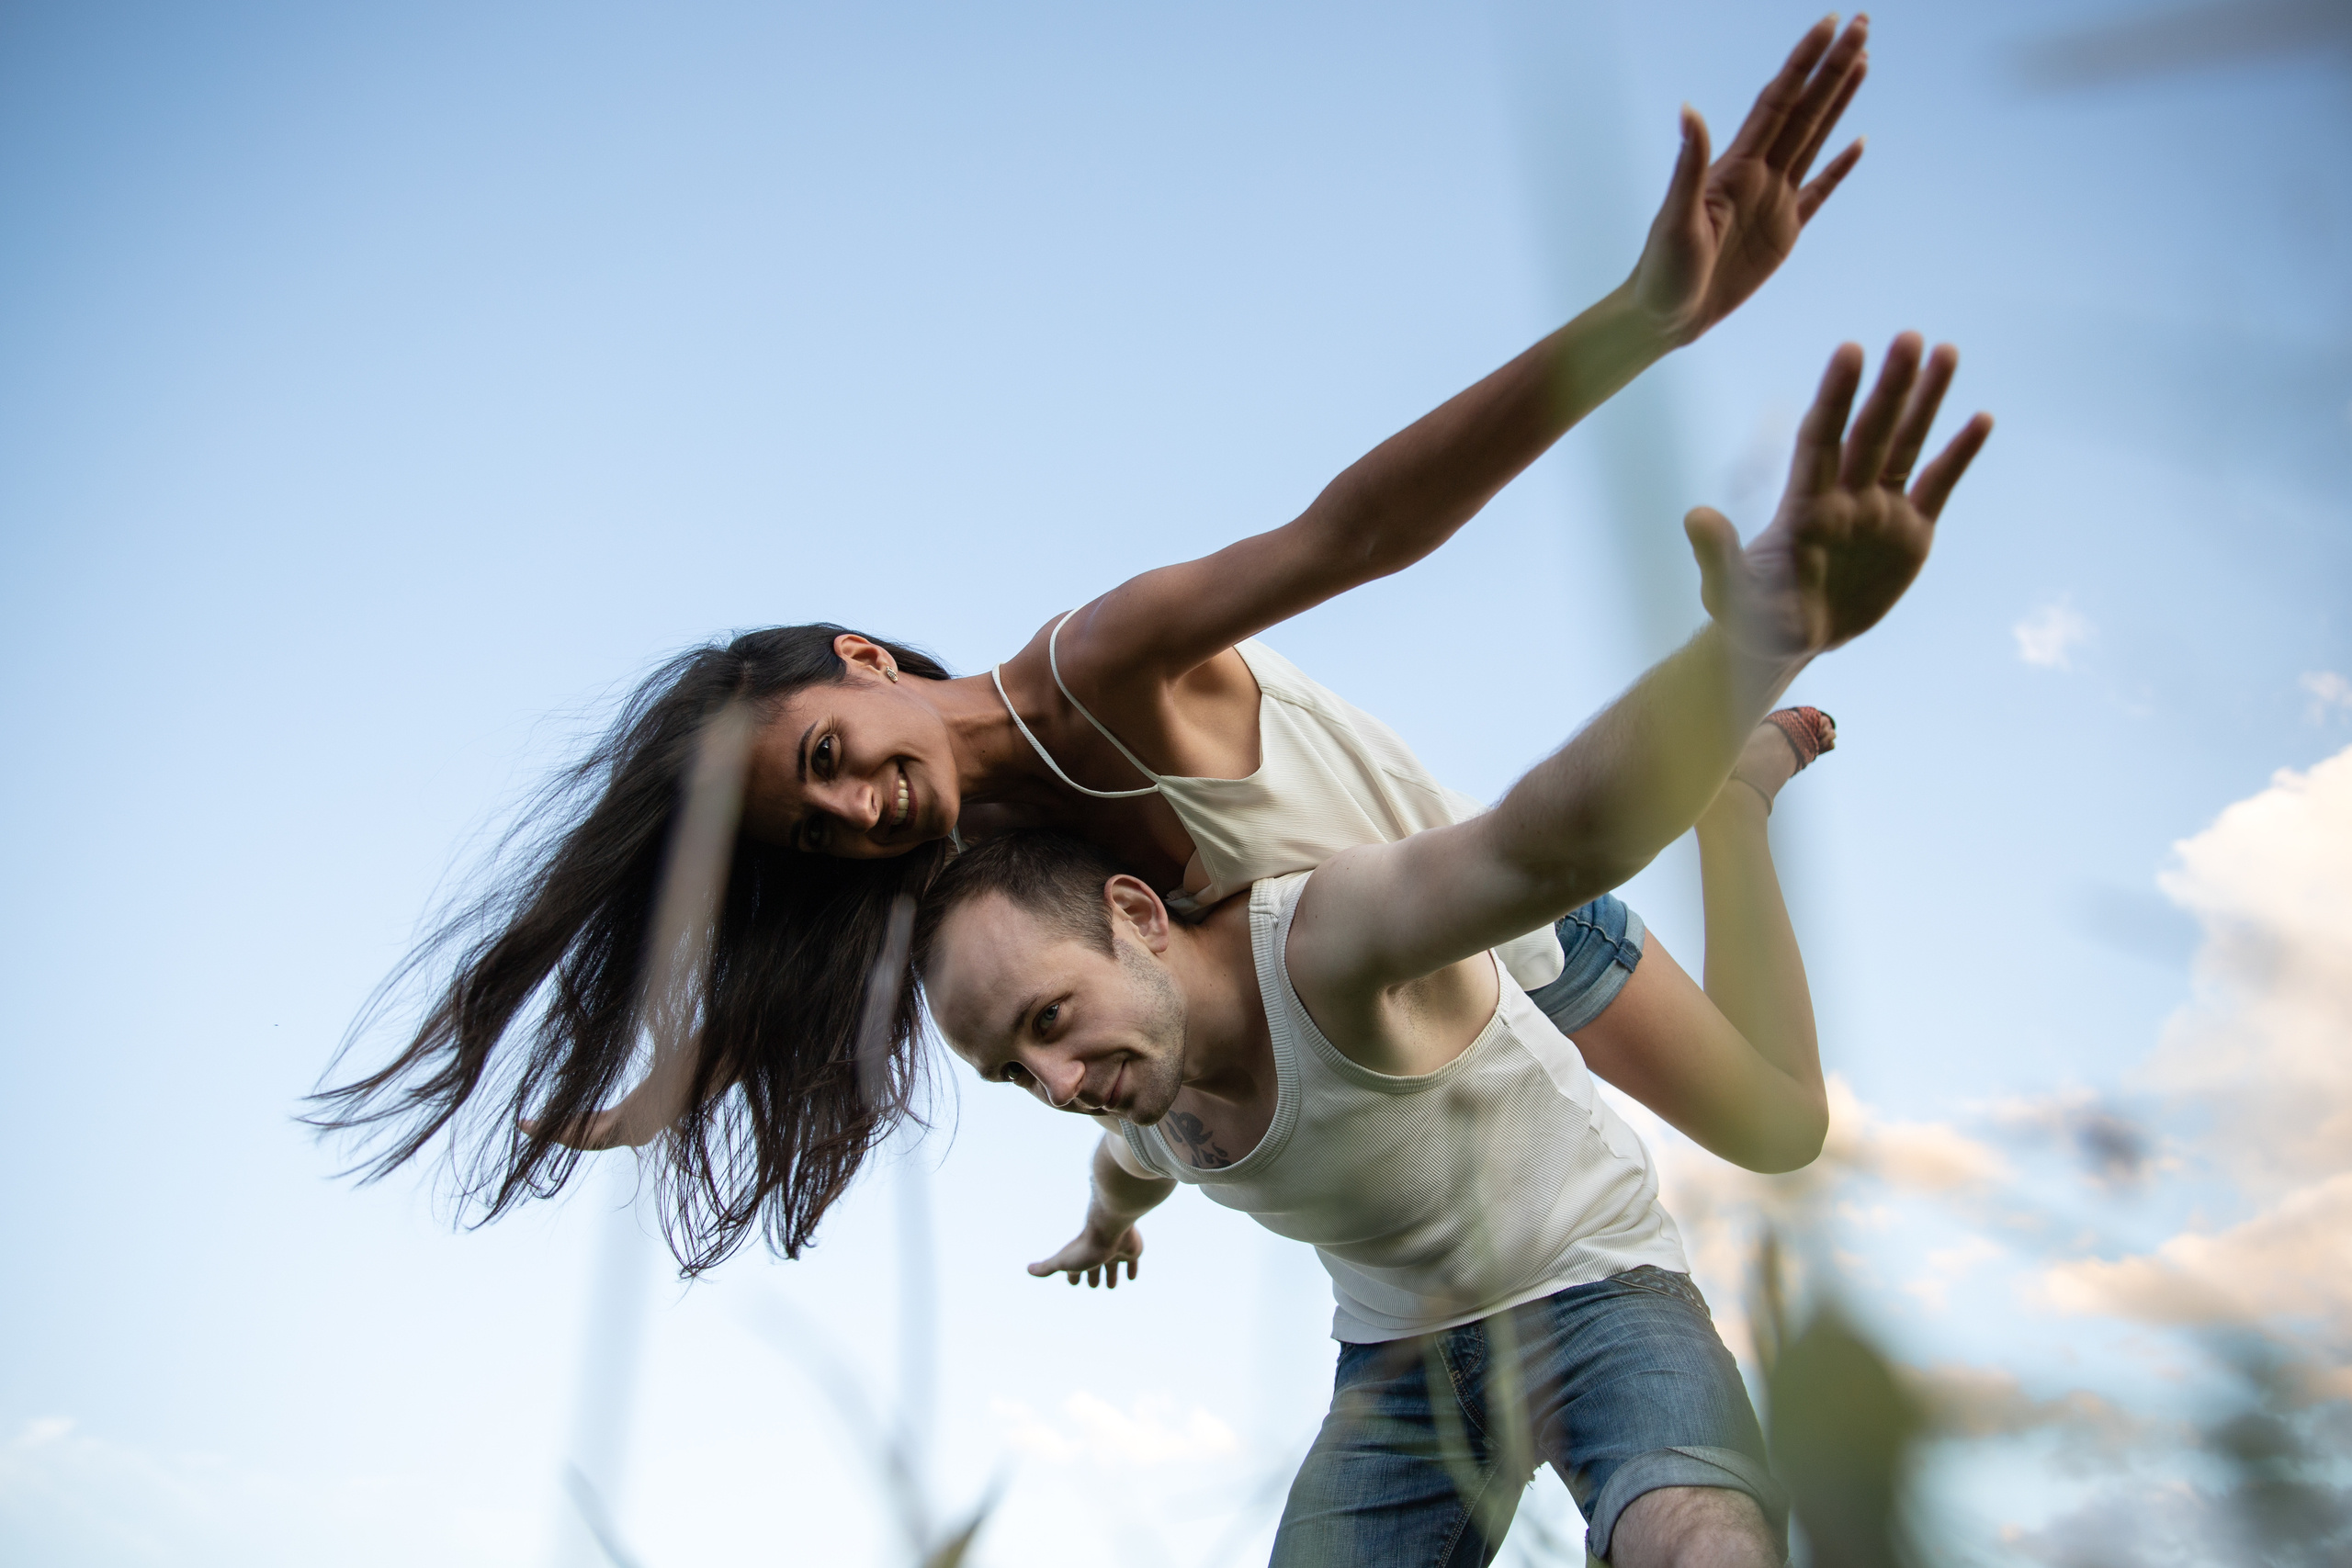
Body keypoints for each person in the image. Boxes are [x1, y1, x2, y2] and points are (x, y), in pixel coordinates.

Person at [315, 19, 1882, 1272]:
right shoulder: (976, 856)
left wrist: (1647, 316)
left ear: (861, 662)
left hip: (1509, 914)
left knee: (1778, 1127)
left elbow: (1355, 533)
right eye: (818, 826)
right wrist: (682, 1077)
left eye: (825, 760)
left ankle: (1728, 801)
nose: (857, 809)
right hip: (1404, 1055)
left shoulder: (1098, 665)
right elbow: (817, 988)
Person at [910, 339, 1990, 1567]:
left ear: (1141, 916)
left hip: (1581, 1232)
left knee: (1708, 1500)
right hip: (1399, 1367)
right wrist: (1107, 1229)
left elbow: (1543, 847)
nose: (1054, 1083)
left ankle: (1729, 803)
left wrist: (1758, 652)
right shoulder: (1136, 1082)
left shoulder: (1311, 938)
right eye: (1012, 1073)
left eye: (1047, 1026)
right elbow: (1129, 1168)